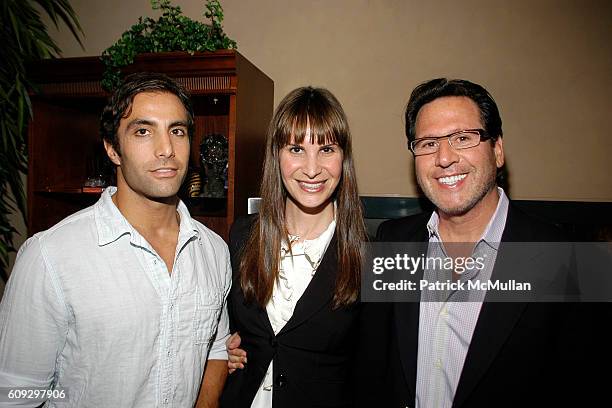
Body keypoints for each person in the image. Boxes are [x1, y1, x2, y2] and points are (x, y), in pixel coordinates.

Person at [0, 72, 230, 407]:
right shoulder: (51, 256)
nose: (166, 149)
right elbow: (15, 392)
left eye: (177, 131)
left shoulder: (213, 251)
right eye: (142, 131)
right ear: (112, 149)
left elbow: (216, 348)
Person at [355, 78, 582, 407]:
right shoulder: (392, 241)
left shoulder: (566, 258)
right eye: (428, 143)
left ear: (498, 150)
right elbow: (371, 366)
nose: (444, 157)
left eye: (463, 138)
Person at [219, 86, 367, 408]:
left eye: (327, 149)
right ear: (277, 155)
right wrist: (222, 352)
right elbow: (224, 328)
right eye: (296, 149)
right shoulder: (242, 236)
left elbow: (374, 372)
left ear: (344, 157)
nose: (312, 169)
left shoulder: (368, 255)